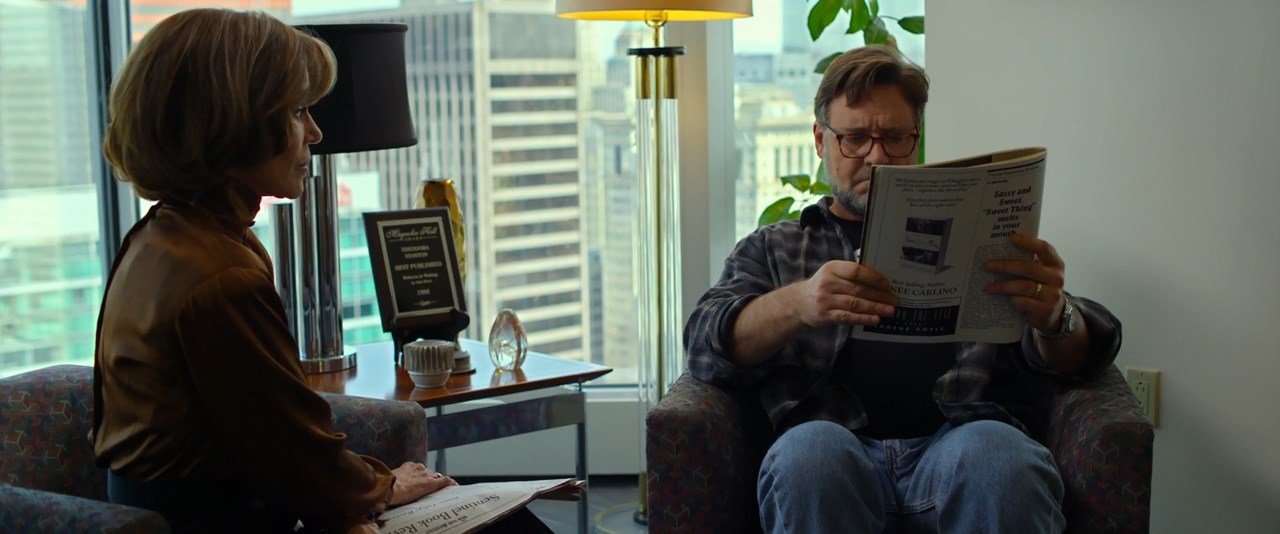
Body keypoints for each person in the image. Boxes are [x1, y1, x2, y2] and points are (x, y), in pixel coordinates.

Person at [685, 45, 1121, 533]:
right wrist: (799, 303)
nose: (876, 156)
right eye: (854, 138)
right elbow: (704, 346)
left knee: (1000, 458)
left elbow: (1088, 354)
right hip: (832, 447)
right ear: (820, 140)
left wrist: (1056, 316)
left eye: (894, 137)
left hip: (959, 442)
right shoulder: (776, 246)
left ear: (916, 139)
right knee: (809, 455)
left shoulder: (979, 231)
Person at [91, 9, 455, 532]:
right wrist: (381, 488)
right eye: (297, 112)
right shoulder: (220, 275)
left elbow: (264, 436)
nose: (315, 132)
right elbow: (294, 452)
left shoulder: (163, 236)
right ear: (231, 123)